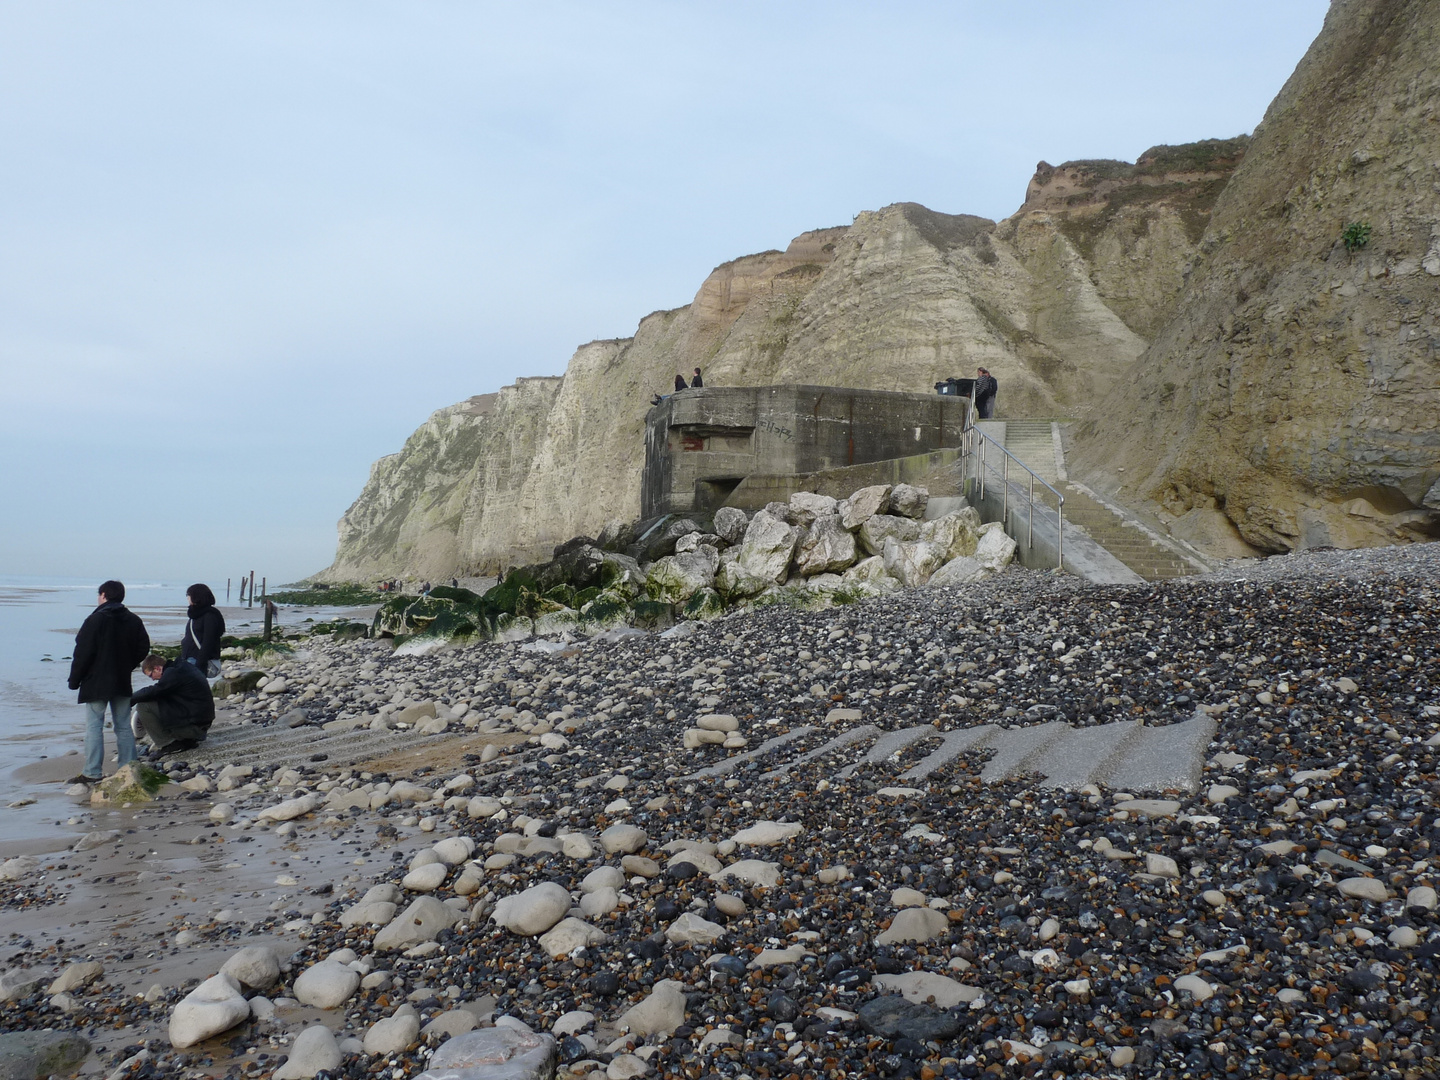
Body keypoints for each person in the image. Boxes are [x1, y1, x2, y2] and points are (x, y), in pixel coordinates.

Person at [66, 580, 150, 784]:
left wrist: (74, 679)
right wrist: (128, 664)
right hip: (121, 679)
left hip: (96, 681)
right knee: (122, 725)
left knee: (95, 725)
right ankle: (129, 768)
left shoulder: (95, 620)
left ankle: (92, 771)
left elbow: (82, 652)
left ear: (103, 595)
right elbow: (143, 647)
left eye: (98, 594)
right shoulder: (133, 620)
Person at [131, 653, 215, 757]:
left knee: (143, 706)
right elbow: (158, 692)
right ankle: (186, 740)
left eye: (151, 675)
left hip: (196, 728)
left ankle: (168, 744)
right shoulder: (181, 667)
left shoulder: (173, 674)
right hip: (201, 725)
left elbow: (154, 691)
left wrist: (130, 699)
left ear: (157, 668)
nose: (152, 679)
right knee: (157, 700)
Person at [181, 583, 225, 677]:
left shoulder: (210, 616)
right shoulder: (195, 614)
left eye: (189, 595)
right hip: (189, 658)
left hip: (198, 661)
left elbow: (208, 641)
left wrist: (200, 663)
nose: (187, 598)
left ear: (196, 597)